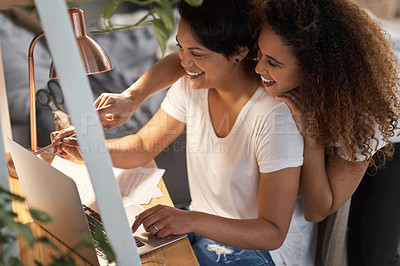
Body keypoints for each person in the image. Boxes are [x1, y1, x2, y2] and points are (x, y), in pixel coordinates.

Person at [93, 0, 400, 265]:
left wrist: (312, 134)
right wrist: (126, 103)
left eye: (272, 63)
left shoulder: (363, 115)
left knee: (374, 249)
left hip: (384, 133)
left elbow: (317, 210)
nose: (257, 68)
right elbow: (199, 57)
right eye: (259, 55)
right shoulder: (258, 51)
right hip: (225, 224)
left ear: (313, 71)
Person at [51, 0, 317, 265]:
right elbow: (143, 146)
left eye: (197, 54)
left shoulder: (274, 116)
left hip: (263, 251)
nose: (184, 61)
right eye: (181, 47)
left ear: (239, 52)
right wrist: (90, 149)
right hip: (201, 223)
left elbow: (272, 232)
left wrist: (189, 220)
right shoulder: (193, 85)